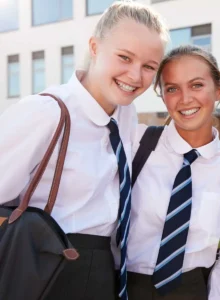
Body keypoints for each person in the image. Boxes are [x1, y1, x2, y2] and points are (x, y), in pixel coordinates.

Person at [0, 1, 168, 299]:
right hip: (47, 267)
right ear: (94, 47)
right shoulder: (46, 111)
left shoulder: (125, 115)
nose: (135, 75)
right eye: (124, 57)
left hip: (105, 268)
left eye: (148, 67)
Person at [126, 45, 220, 300]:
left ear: (219, 90)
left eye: (196, 85)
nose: (185, 99)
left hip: (192, 289)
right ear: (162, 96)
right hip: (126, 286)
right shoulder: (136, 143)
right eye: (172, 88)